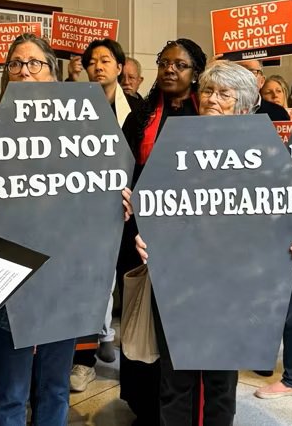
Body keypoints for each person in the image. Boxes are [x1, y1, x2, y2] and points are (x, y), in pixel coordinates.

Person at [130, 60, 292, 426]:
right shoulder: (177, 142)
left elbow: (286, 209)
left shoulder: (268, 155)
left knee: (220, 382)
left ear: (244, 106)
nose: (212, 99)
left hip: (235, 284)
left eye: (224, 94)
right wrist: (144, 236)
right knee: (175, 378)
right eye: (208, 91)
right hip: (178, 279)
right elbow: (151, 199)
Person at [0, 33, 75, 426]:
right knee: (10, 396)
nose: (24, 70)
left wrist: (120, 205)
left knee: (56, 388)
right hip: (7, 274)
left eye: (34, 63)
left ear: (53, 74)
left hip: (66, 273)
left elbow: (99, 194)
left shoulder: (80, 130)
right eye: (15, 64)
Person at [119, 38, 207, 426]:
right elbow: (120, 166)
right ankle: (144, 404)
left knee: (178, 319)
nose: (170, 70)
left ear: (196, 74)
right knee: (142, 315)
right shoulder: (139, 115)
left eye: (181, 65)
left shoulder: (205, 114)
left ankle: (178, 405)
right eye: (165, 63)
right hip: (139, 231)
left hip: (190, 234)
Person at [69, 38, 143, 393]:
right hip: (85, 213)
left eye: (106, 60)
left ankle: (123, 355)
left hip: (128, 213)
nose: (98, 66)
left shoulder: (139, 112)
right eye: (92, 61)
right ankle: (83, 361)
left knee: (126, 284)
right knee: (89, 286)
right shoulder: (71, 108)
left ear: (119, 67)